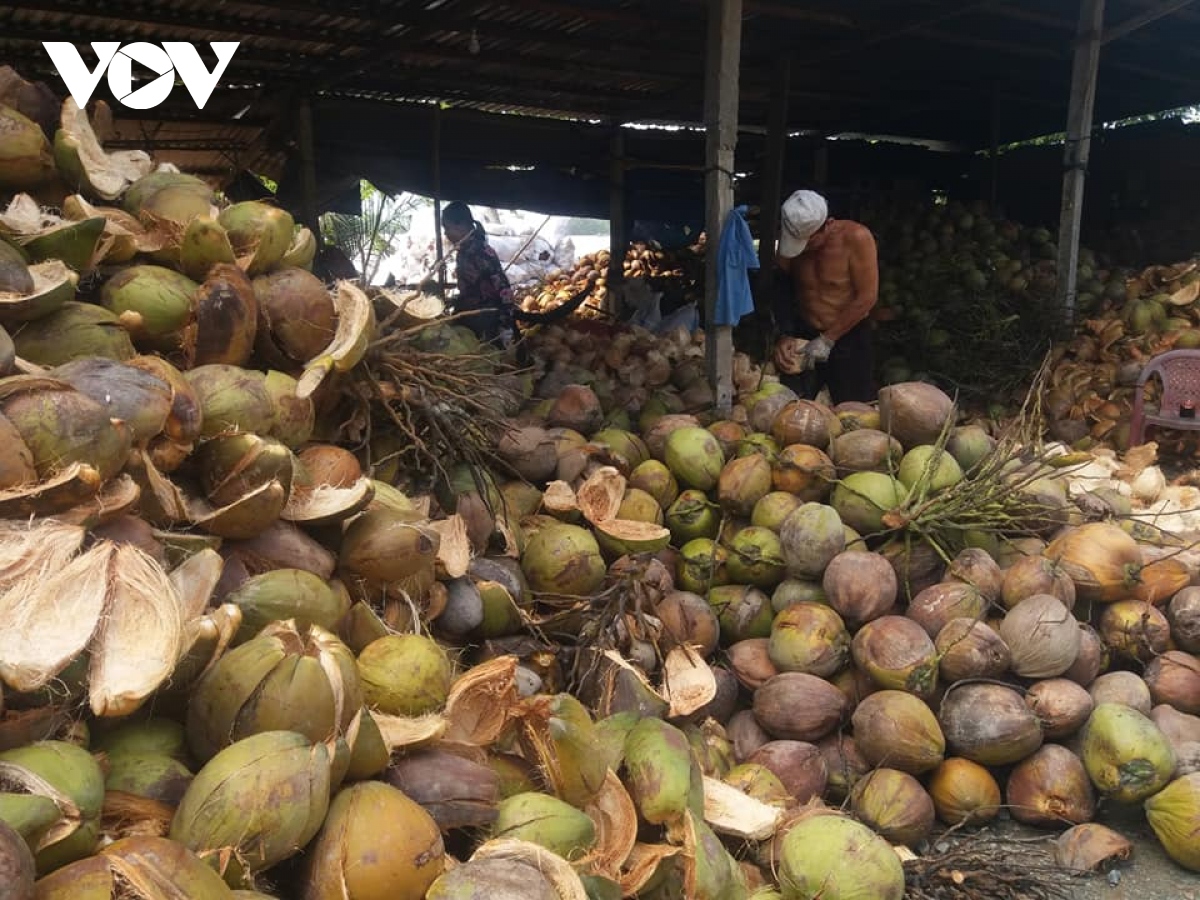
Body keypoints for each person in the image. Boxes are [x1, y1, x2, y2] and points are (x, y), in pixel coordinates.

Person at [771, 189, 879, 404]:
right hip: (804, 332)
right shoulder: (790, 238)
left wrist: (828, 339)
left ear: (828, 225)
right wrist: (785, 334)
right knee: (793, 408)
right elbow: (782, 288)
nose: (804, 249)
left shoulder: (856, 238)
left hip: (848, 335)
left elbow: (867, 297)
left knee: (854, 410)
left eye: (810, 242)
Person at [442, 201, 516, 346]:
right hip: (470, 315)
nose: (445, 233)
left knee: (487, 355)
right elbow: (470, 287)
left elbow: (503, 288)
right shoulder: (464, 251)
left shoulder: (481, 253)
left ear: (461, 225)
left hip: (486, 319)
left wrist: (506, 322)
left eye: (447, 228)